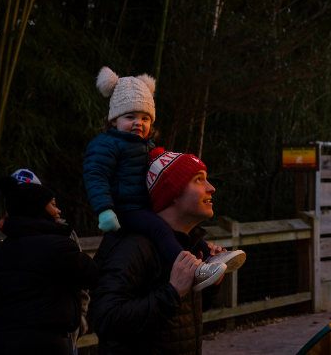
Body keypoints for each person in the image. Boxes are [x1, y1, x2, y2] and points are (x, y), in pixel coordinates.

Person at [84, 67, 224, 291]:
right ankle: (189, 269)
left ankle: (211, 258)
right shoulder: (106, 145)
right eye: (130, 117)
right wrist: (105, 210)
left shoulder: (146, 147)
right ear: (113, 121)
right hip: (125, 210)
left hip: (145, 207)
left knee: (178, 227)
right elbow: (96, 177)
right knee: (161, 229)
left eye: (145, 118)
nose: (138, 122)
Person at [89, 149, 231, 354]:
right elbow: (105, 320)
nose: (211, 188)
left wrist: (210, 285)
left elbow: (182, 319)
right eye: (199, 180)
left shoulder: (188, 245)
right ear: (172, 192)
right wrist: (171, 291)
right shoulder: (134, 248)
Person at [0, 169, 90, 354]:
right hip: (4, 341)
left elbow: (81, 287)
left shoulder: (64, 234)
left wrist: (76, 329)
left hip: (59, 340)